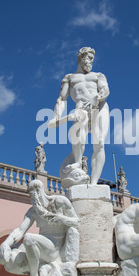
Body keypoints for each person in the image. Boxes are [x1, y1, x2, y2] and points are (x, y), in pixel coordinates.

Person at [0, 179, 79, 276]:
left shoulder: (60, 201)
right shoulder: (34, 210)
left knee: (29, 239)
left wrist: (62, 219)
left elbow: (77, 222)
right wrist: (5, 244)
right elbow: (20, 230)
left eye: (36, 193)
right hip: (43, 247)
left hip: (54, 249)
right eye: (31, 195)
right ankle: (40, 269)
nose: (34, 198)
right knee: (8, 254)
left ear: (41, 191)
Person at [51, 47, 110, 186]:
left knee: (100, 142)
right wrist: (56, 116)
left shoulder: (98, 76)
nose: (91, 62)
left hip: (99, 106)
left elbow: (105, 89)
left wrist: (98, 96)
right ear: (80, 58)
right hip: (81, 108)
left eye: (92, 59)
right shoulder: (69, 78)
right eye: (89, 58)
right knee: (78, 129)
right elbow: (61, 99)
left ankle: (94, 183)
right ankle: (78, 161)